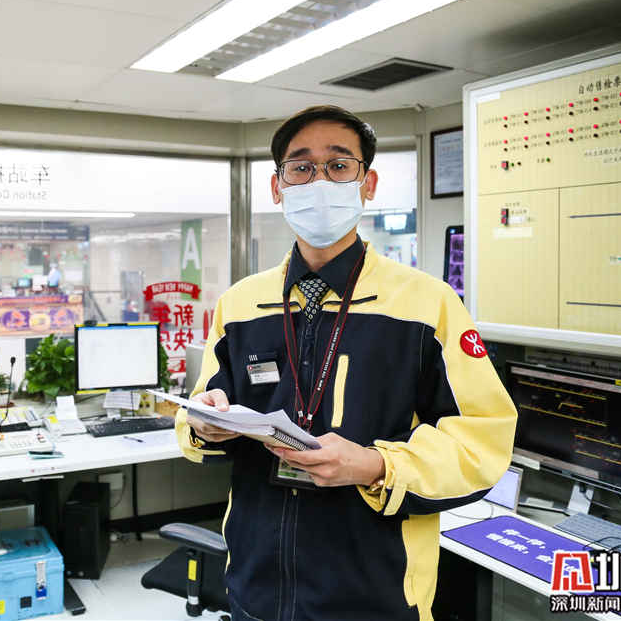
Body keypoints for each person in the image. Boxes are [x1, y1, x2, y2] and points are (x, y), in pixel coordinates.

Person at [177, 105, 517, 621]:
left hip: (376, 595)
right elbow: (197, 414)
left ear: (367, 183)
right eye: (301, 167)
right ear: (278, 187)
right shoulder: (241, 303)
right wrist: (204, 423)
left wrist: (377, 465)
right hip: (254, 588)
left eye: (338, 166)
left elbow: (482, 442)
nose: (319, 181)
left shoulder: (427, 304)